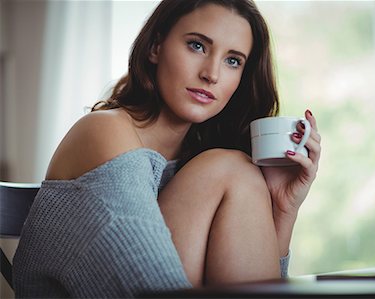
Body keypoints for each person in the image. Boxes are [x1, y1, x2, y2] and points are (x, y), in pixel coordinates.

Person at [13, 0, 321, 297]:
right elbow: (149, 291)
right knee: (231, 167)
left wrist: (283, 211)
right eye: (197, 45)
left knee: (236, 168)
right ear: (155, 47)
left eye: (232, 60)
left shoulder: (204, 166)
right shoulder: (104, 131)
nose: (211, 74)